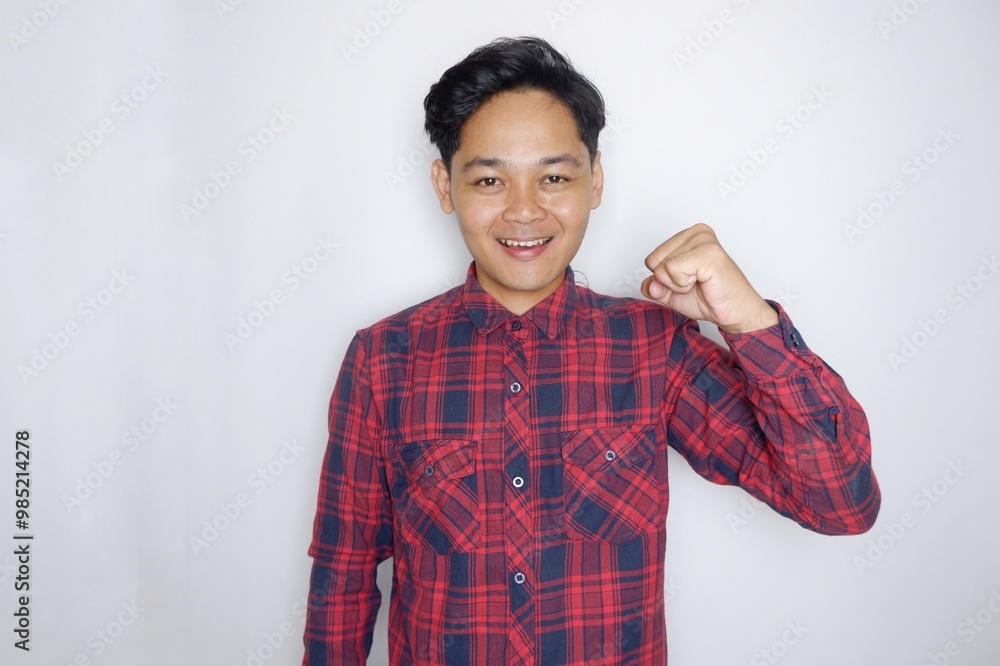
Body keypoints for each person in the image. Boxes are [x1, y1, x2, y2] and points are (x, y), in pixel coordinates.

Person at [301, 36, 880, 665]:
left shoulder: (655, 349)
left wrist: (749, 322)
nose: (524, 211)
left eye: (553, 176)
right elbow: (344, 574)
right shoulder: (383, 360)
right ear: (446, 185)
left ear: (594, 180)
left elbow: (840, 504)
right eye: (491, 178)